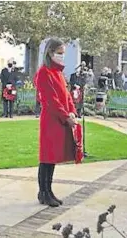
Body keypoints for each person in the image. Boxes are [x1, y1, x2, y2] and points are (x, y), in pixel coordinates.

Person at [34, 38, 78, 207]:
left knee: (51, 158)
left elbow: (66, 96)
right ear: (50, 53)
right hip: (51, 119)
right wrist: (66, 116)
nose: (62, 56)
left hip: (59, 119)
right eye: (59, 53)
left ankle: (48, 191)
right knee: (46, 157)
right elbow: (50, 100)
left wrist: (72, 111)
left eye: (63, 53)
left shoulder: (58, 73)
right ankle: (43, 192)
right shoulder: (44, 73)